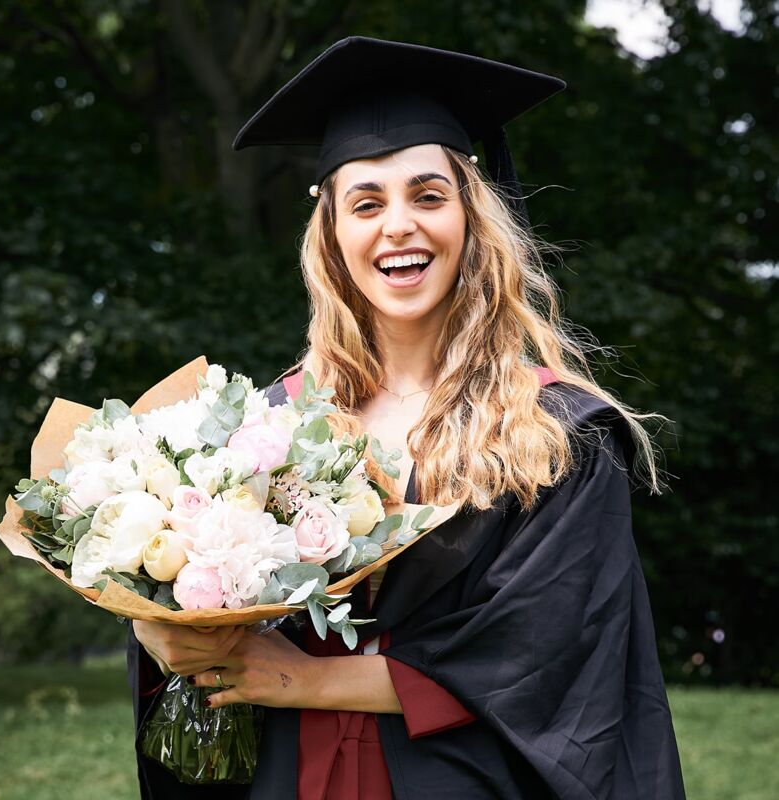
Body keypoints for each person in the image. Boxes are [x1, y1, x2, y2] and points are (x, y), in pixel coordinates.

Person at [127, 36, 687, 799]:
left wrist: (306, 680)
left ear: (471, 219)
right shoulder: (269, 422)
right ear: (331, 234)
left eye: (427, 196)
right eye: (366, 203)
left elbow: (550, 655)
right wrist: (162, 627)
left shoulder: (556, 431)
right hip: (286, 777)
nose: (397, 225)